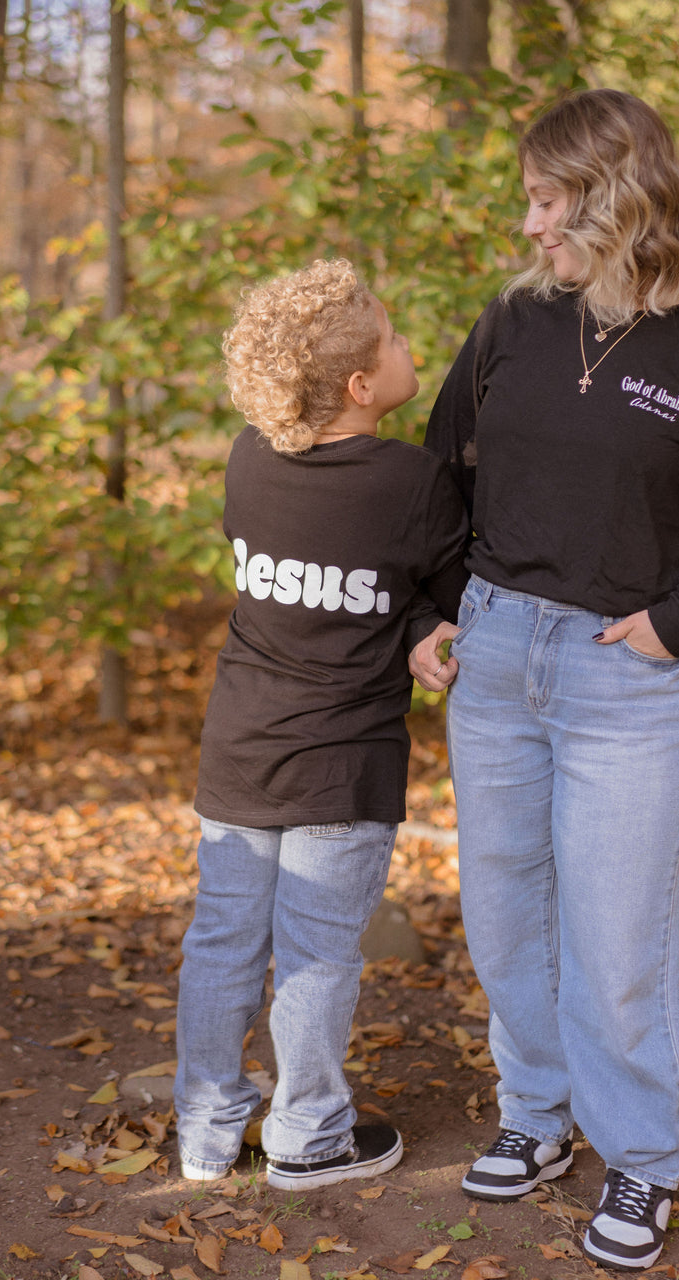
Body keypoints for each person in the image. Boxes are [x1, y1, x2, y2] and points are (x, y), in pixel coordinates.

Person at [409, 90, 679, 1270]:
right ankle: (535, 1116)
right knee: (507, 916)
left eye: (545, 200)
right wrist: (428, 612)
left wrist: (675, 622)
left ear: (615, 197)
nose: (530, 226)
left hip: (624, 680)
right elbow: (439, 474)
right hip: (492, 660)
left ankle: (639, 1156)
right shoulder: (514, 325)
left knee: (625, 936)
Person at [176, 258, 469, 1191]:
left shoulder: (249, 457)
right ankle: (307, 1135)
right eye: (391, 339)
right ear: (359, 385)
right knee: (315, 954)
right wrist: (426, 626)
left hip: (239, 754)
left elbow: (367, 581)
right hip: (341, 769)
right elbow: (439, 584)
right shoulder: (413, 483)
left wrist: (413, 619)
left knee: (222, 942)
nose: (406, 346)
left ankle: (206, 1130)